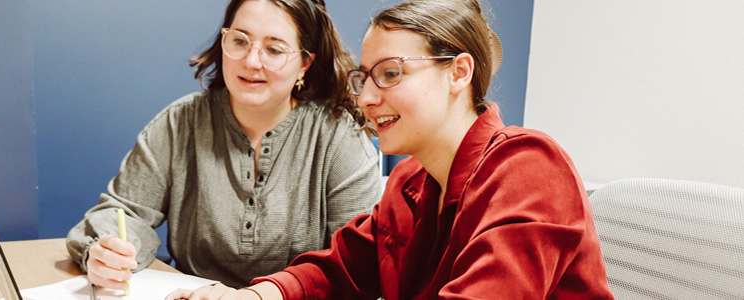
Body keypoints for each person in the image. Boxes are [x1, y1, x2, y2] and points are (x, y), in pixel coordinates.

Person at [165, 0, 615, 299]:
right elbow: (341, 268)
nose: (365, 98)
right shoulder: (410, 181)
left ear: (459, 73)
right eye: (364, 77)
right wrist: (256, 296)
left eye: (392, 74)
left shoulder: (529, 168)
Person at [66, 0, 381, 289]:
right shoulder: (180, 122)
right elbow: (124, 213)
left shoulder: (339, 137)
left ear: (304, 64)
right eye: (240, 41)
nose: (251, 61)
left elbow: (358, 261)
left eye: (274, 49)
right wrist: (108, 252)